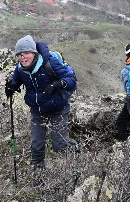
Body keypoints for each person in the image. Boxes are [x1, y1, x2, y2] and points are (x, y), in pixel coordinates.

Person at [4, 34, 78, 170]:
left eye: (26, 53)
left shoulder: (50, 63)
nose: (22, 57)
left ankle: (74, 150)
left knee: (60, 145)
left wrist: (57, 84)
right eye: (19, 54)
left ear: (34, 53)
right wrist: (11, 88)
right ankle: (38, 174)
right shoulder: (20, 68)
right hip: (37, 109)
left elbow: (71, 80)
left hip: (58, 107)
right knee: (36, 146)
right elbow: (15, 82)